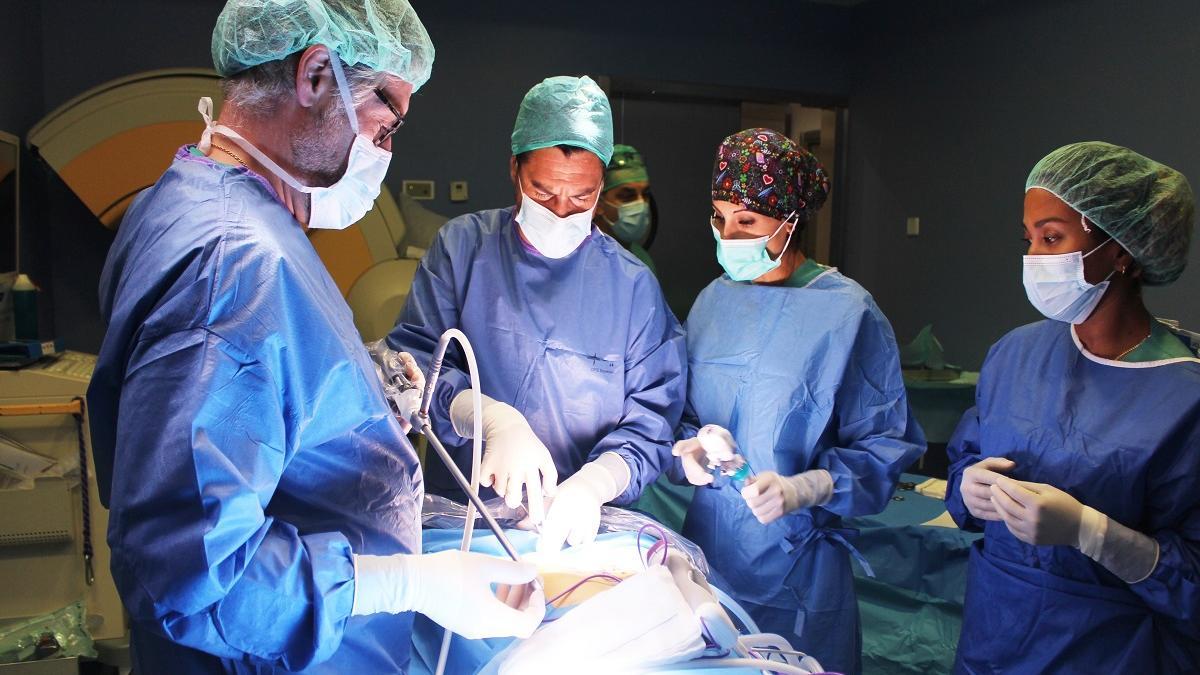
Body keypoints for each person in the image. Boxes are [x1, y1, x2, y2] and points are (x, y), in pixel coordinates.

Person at [86, 2, 542, 672]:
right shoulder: (234, 260)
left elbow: (249, 392)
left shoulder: (192, 198)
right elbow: (197, 574)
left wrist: (359, 386)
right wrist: (405, 583)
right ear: (316, 75)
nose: (384, 153)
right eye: (384, 128)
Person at [387, 76, 686, 553]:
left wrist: (595, 484)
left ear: (601, 187)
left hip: (585, 534)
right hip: (465, 523)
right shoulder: (463, 249)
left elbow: (653, 418)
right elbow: (413, 367)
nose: (562, 212)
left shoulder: (633, 288)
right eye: (544, 193)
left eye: (582, 198)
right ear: (515, 171)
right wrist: (491, 419)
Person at [671, 128, 924, 674]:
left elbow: (883, 445)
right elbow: (684, 410)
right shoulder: (713, 302)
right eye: (719, 217)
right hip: (707, 551)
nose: (727, 233)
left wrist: (805, 488)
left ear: (789, 221)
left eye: (747, 220)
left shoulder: (847, 313)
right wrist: (688, 449)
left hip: (799, 566)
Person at [945, 141, 1200, 672]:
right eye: (1029, 239)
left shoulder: (1184, 397)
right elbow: (965, 461)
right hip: (995, 637)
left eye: (1053, 237)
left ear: (1122, 248)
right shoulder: (1015, 353)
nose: (1035, 258)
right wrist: (967, 488)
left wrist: (1094, 534)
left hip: (1110, 650)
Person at [594, 144, 657, 272]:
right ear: (598, 203)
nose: (641, 203)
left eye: (645, 194)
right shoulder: (584, 261)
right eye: (627, 196)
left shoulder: (641, 260)